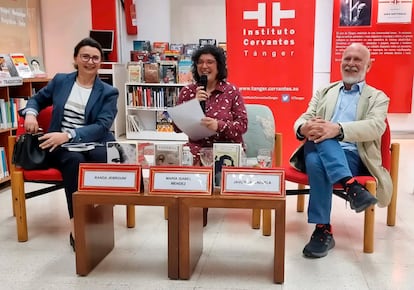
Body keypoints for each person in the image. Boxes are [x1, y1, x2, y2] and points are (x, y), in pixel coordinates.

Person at [290, 43, 392, 258]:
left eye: (357, 60)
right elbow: (305, 116)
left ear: (368, 65)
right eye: (347, 59)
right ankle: (351, 186)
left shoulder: (378, 97)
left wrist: (338, 129)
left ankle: (322, 229)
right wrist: (303, 127)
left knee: (320, 153)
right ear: (341, 62)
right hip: (316, 144)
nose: (351, 64)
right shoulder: (324, 91)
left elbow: (376, 127)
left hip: (352, 155)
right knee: (319, 136)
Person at [22, 37, 118, 251]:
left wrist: (69, 134)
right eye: (85, 56)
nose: (90, 61)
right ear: (75, 59)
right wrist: (30, 113)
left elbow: (102, 126)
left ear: (100, 62)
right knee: (74, 162)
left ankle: (99, 218)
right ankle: (77, 226)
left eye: (95, 57)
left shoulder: (108, 92)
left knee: (104, 158)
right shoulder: (61, 81)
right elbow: (37, 100)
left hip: (90, 142)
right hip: (60, 147)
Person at [175, 44, 248, 164]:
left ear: (218, 66)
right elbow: (176, 128)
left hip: (227, 150)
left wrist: (218, 126)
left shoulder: (231, 91)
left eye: (210, 62)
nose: (204, 66)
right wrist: (193, 104)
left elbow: (242, 126)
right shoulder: (188, 92)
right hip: (197, 151)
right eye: (200, 62)